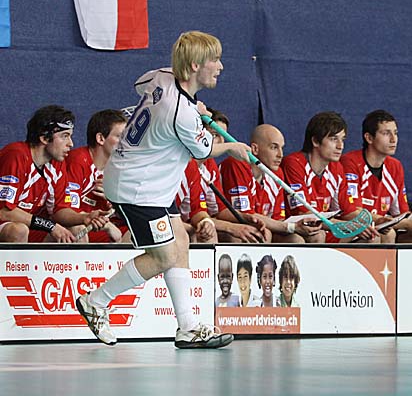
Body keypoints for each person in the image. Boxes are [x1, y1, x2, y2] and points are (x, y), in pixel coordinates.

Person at [76, 31, 251, 349]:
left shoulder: (161, 77)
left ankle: (188, 328)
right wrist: (232, 146)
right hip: (137, 189)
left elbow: (140, 85)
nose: (221, 66)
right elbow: (203, 151)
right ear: (195, 65)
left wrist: (196, 109)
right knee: (163, 256)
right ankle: (95, 301)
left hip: (152, 185)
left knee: (180, 240)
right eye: (215, 60)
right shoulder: (180, 113)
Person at [0, 105, 109, 243]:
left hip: (28, 226)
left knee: (75, 230)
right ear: (44, 138)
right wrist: (50, 226)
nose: (71, 144)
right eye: (65, 136)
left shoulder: (56, 164)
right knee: (18, 230)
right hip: (9, 223)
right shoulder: (16, 155)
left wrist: (85, 217)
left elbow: (59, 210)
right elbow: (5, 212)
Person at [341, 110, 412, 244]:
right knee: (381, 235)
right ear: (369, 138)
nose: (393, 139)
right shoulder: (350, 162)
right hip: (353, 231)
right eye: (386, 133)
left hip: (385, 228)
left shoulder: (395, 166)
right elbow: (352, 212)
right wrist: (394, 222)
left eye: (395, 133)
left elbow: (401, 213)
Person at [280, 111, 378, 243]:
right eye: (333, 139)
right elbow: (304, 215)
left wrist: (376, 221)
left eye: (342, 139)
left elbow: (348, 212)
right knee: (318, 235)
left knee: (373, 237)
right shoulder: (294, 164)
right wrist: (351, 226)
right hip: (299, 230)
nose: (340, 146)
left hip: (325, 228)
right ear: (315, 141)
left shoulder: (336, 168)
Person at [220, 124, 325, 243]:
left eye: (281, 148)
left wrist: (294, 226)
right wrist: (292, 227)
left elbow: (277, 218)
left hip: (263, 227)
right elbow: (247, 217)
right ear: (255, 149)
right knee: (261, 235)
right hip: (231, 225)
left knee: (306, 237)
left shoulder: (277, 173)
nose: (280, 154)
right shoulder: (236, 164)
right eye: (274, 147)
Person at [197, 108, 270, 243]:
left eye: (223, 136)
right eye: (215, 135)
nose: (221, 142)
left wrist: (243, 217)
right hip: (181, 224)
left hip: (199, 221)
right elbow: (194, 216)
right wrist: (232, 227)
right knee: (209, 235)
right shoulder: (184, 164)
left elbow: (219, 210)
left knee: (256, 232)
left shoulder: (210, 166)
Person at [65, 109, 128, 242]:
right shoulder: (78, 161)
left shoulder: (119, 168)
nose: (126, 143)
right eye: (120, 137)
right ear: (100, 138)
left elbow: (126, 215)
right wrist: (108, 226)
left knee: (142, 232)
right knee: (77, 229)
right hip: (74, 229)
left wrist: (114, 200)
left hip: (100, 228)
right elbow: (67, 211)